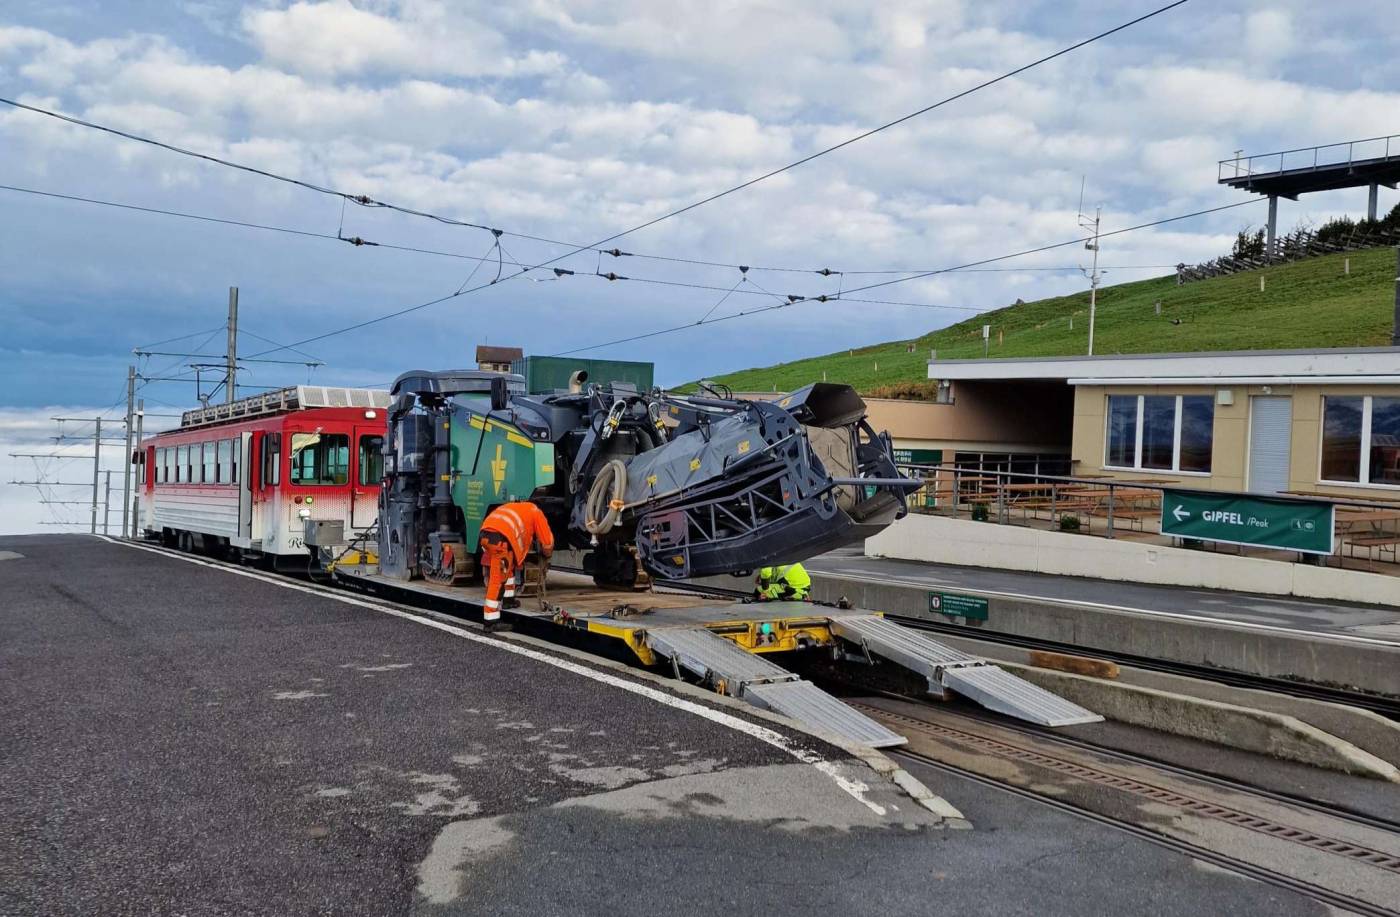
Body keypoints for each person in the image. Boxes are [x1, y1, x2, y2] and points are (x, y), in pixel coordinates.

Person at [478, 501, 555, 632]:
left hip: (486, 534)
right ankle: (490, 621)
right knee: (498, 579)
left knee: (509, 568)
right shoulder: (536, 512)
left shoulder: (518, 507)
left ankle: (508, 600)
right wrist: (547, 553)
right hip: (500, 539)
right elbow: (547, 541)